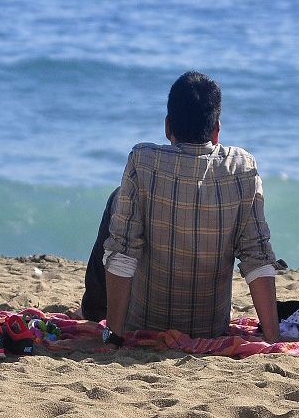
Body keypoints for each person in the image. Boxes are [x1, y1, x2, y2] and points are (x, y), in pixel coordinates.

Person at [80, 71, 280, 344]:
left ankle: (96, 311)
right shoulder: (243, 169)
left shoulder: (143, 162)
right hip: (209, 326)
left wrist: (115, 335)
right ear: (216, 129)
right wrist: (273, 337)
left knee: (118, 201)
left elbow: (123, 251)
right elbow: (257, 256)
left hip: (143, 321)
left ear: (167, 126)